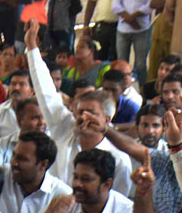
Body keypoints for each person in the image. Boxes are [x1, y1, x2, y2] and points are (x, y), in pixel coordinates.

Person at [25, 22, 134, 196]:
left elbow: (117, 202)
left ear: (107, 120)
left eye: (92, 113)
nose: (84, 117)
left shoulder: (118, 160)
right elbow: (46, 91)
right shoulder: (65, 128)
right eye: (81, 111)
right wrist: (31, 47)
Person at [112, 0, 159, 85]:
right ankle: (122, 91)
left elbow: (151, 4)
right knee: (121, 65)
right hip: (123, 29)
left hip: (142, 29)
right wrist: (129, 18)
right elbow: (115, 4)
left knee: (140, 65)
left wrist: (134, 16)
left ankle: (143, 93)